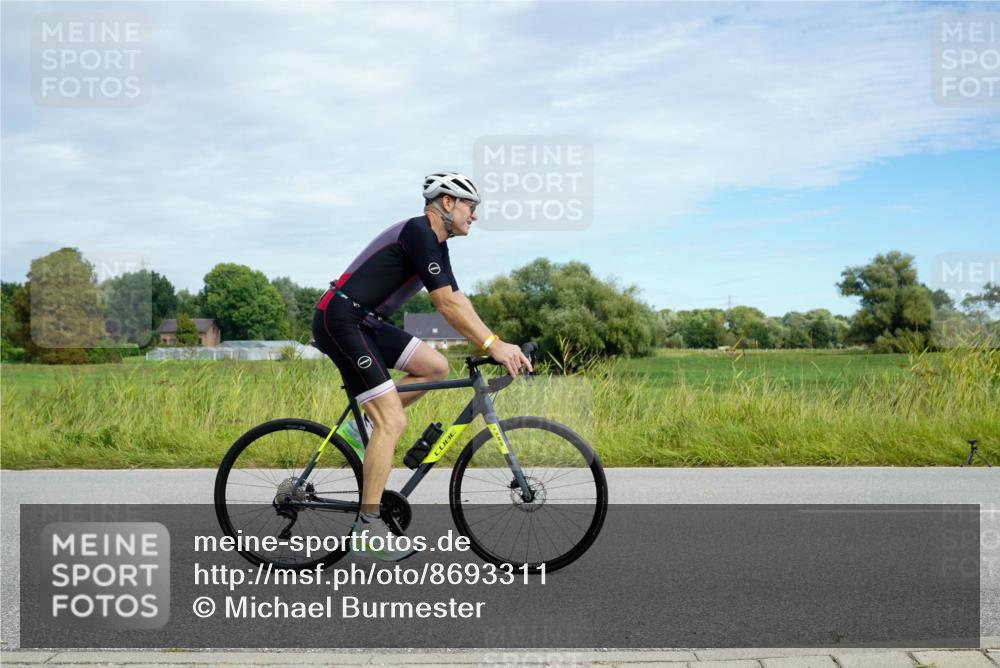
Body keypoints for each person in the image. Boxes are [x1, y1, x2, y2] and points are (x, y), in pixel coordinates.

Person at [311, 172, 532, 560]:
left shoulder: (437, 245)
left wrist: (495, 341)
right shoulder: (418, 232)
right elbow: (444, 306)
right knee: (392, 421)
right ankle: (367, 526)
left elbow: (457, 300)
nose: (474, 216)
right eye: (470, 206)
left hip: (365, 322)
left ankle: (358, 426)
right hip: (341, 320)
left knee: (435, 366)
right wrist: (493, 345)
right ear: (447, 203)